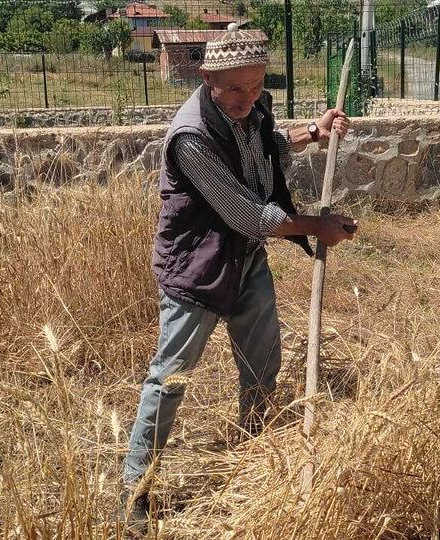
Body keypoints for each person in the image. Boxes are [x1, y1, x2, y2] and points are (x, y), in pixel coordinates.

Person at [112, 23, 355, 532]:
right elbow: (247, 215)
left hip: (243, 259)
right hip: (197, 268)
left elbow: (267, 148)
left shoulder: (253, 107)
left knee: (263, 362)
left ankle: (254, 454)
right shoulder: (192, 136)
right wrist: (315, 226)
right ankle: (135, 492)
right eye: (235, 89)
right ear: (207, 78)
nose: (247, 98)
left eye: (256, 86)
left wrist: (314, 131)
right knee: (169, 379)